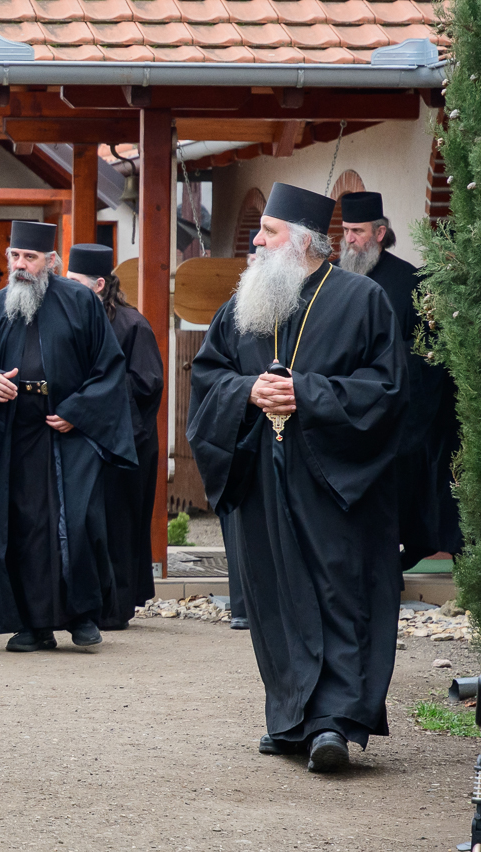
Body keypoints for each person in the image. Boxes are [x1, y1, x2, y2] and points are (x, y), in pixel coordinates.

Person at [187, 182, 407, 773]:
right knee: (273, 596)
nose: (257, 242)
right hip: (261, 474)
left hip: (334, 480)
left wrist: (304, 393)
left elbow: (387, 390)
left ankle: (333, 722)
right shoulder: (245, 303)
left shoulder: (362, 300)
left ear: (304, 241)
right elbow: (209, 376)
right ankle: (289, 718)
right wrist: (247, 391)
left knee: (337, 594)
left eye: (269, 231)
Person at [0, 221, 136, 652]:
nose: (20, 265)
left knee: (80, 521)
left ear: (50, 261)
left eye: (29, 257)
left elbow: (109, 368)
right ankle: (32, 625)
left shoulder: (80, 302)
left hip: (70, 432)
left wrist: (76, 411)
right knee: (24, 527)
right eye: (14, 256)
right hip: (16, 433)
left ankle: (82, 617)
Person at [338, 191, 462, 570]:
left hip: (393, 414)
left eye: (358, 231)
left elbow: (428, 355)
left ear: (379, 233)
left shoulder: (409, 281)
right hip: (343, 408)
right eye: (345, 230)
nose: (349, 239)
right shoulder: (334, 280)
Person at [66, 244, 162, 630]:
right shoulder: (73, 320)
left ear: (99, 285)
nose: (67, 289)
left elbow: (146, 384)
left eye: (75, 282)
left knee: (119, 526)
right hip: (84, 439)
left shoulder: (132, 324)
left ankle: (116, 606)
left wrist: (90, 399)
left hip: (125, 443)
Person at [223, 231, 259, 632]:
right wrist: (247, 390)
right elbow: (212, 373)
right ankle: (244, 605)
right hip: (244, 432)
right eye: (251, 258)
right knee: (242, 522)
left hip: (298, 432)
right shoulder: (234, 310)